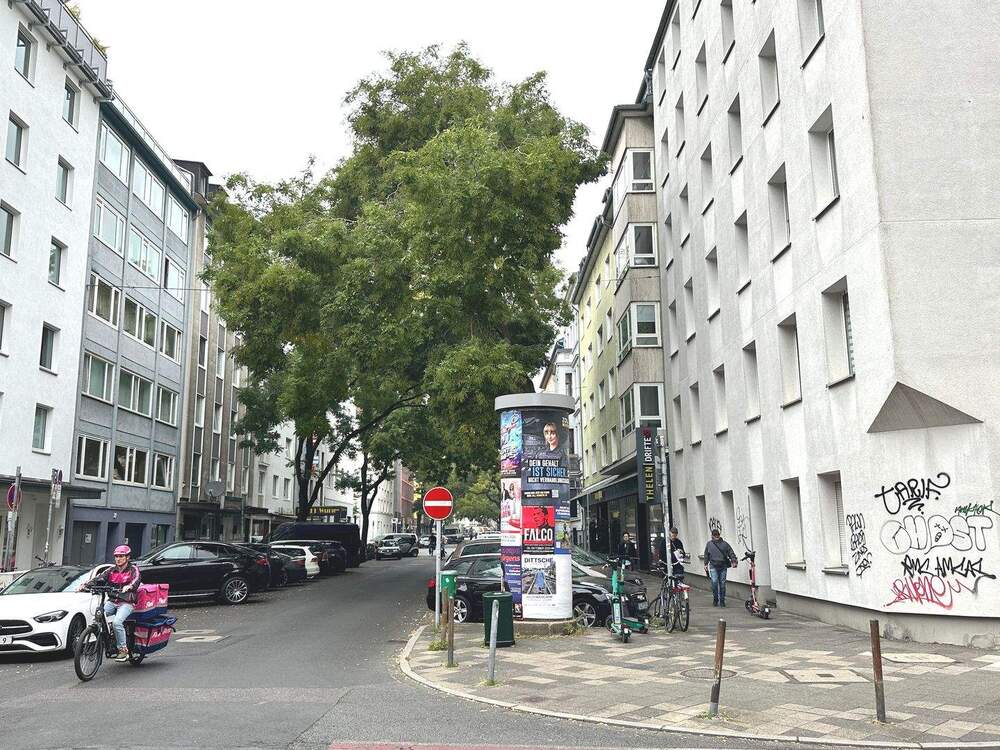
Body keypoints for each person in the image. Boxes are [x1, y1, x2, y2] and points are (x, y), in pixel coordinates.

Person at [84, 545, 141, 661]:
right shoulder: (111, 570)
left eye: (121, 556)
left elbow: (136, 580)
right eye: (116, 556)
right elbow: (99, 578)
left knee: (117, 622)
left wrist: (129, 586)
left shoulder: (133, 569)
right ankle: (104, 641)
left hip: (126, 602)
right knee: (97, 617)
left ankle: (123, 650)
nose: (118, 559)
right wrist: (85, 585)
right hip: (112, 601)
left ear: (127, 557)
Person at [703, 529, 738, 607]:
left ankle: (722, 600)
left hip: (723, 566)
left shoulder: (725, 544)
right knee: (714, 583)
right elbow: (706, 555)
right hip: (713, 566)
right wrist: (705, 564)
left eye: (717, 535)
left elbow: (731, 553)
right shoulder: (709, 544)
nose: (717, 537)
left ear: (719, 535)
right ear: (712, 536)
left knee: (722, 584)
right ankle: (715, 599)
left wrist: (734, 561)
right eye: (715, 535)